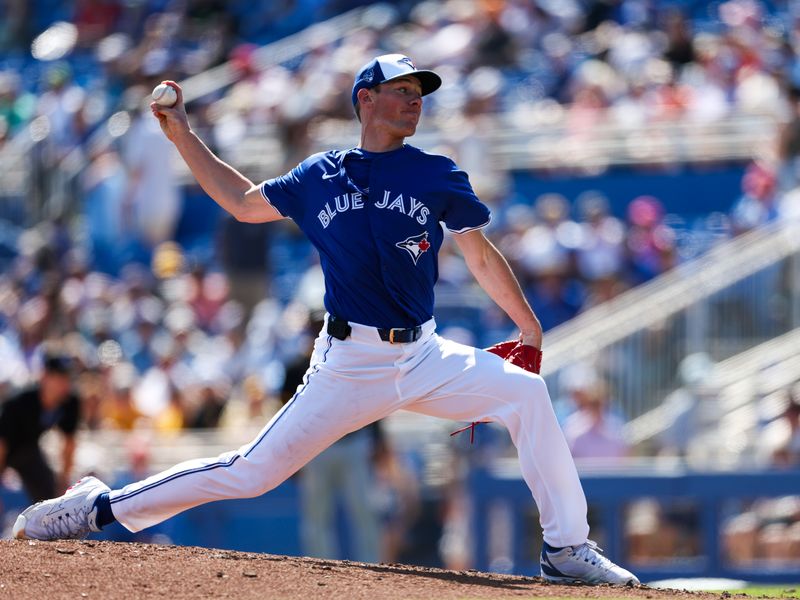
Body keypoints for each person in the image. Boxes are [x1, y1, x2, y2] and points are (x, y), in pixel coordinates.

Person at [13, 54, 638, 586]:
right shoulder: (320, 174)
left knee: (527, 394)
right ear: (365, 99)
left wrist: (526, 325)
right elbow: (240, 201)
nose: (413, 102)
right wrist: (181, 134)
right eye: (400, 91)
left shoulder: (435, 172)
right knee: (251, 474)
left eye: (418, 93)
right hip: (348, 362)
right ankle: (98, 508)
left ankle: (564, 551)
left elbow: (477, 250)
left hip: (423, 356)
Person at [0, 354, 80, 502]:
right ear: (44, 377)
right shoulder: (20, 403)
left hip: (28, 450)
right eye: (59, 377)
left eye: (68, 378)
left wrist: (64, 481)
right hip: (4, 449)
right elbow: (2, 445)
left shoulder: (69, 402)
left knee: (50, 497)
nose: (64, 383)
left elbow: (69, 443)